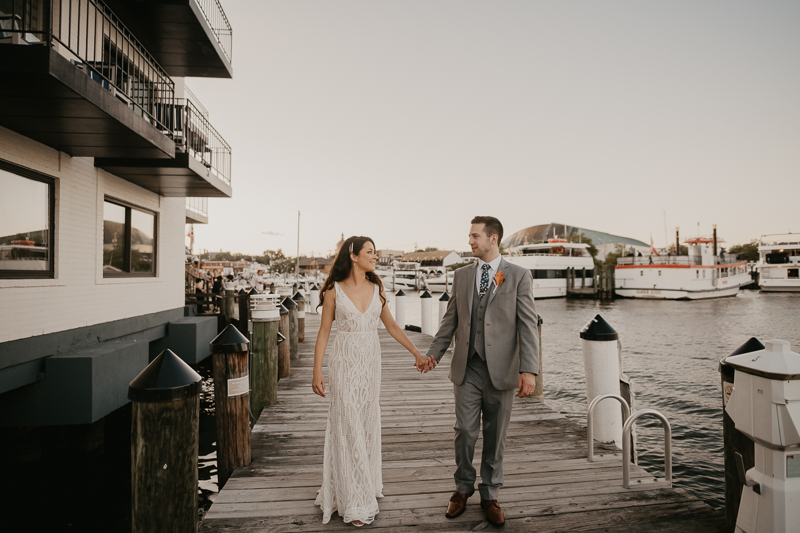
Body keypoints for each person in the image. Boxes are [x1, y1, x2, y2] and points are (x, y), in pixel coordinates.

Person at [422, 216, 539, 526]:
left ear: (493, 238)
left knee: (495, 434)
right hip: (467, 367)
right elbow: (450, 322)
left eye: (475, 236)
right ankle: (462, 488)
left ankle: (490, 492)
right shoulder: (461, 277)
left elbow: (528, 326)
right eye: (470, 236)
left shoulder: (519, 276)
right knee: (465, 430)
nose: (470, 241)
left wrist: (529, 370)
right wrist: (433, 354)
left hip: (502, 370)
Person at [311, 236, 430, 527]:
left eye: (375, 253)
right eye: (370, 252)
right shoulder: (333, 290)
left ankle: (362, 486)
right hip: (343, 364)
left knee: (364, 423)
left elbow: (390, 326)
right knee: (347, 424)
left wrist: (416, 352)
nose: (375, 257)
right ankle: (355, 500)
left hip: (369, 366)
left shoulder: (377, 288)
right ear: (353, 256)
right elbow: (324, 331)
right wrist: (316, 371)